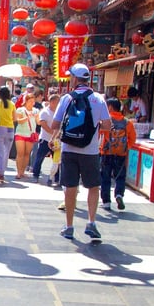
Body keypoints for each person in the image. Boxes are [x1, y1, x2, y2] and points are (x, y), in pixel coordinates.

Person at [49, 63, 110, 241]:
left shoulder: (67, 98)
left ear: (74, 79)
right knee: (93, 187)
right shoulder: (98, 98)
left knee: (70, 187)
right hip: (90, 151)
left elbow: (54, 124)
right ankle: (91, 222)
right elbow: (107, 125)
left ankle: (69, 226)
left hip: (69, 149)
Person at [99, 98, 137, 211]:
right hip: (121, 154)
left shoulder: (106, 121)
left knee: (105, 177)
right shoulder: (127, 122)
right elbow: (133, 138)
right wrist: (125, 148)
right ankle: (119, 194)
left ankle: (106, 202)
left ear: (110, 107)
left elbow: (98, 134)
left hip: (106, 152)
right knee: (120, 176)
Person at [33, 94, 61, 186]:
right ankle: (35, 175)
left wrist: (56, 135)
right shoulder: (45, 112)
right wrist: (53, 133)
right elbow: (43, 124)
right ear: (52, 102)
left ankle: (56, 179)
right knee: (40, 157)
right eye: (58, 101)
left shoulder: (59, 112)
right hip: (45, 138)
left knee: (56, 160)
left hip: (56, 140)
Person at [0, 87, 16, 184]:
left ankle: (1, 174)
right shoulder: (12, 104)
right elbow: (15, 118)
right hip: (10, 129)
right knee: (7, 152)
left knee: (0, 152)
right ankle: (3, 172)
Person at [13, 95, 38, 180]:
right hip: (20, 133)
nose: (32, 103)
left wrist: (37, 116)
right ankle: (18, 172)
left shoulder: (36, 110)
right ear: (26, 101)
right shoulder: (20, 109)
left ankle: (23, 172)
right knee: (20, 153)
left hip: (31, 134)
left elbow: (38, 122)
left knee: (27, 154)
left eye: (33, 101)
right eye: (30, 101)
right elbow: (18, 121)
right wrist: (27, 117)